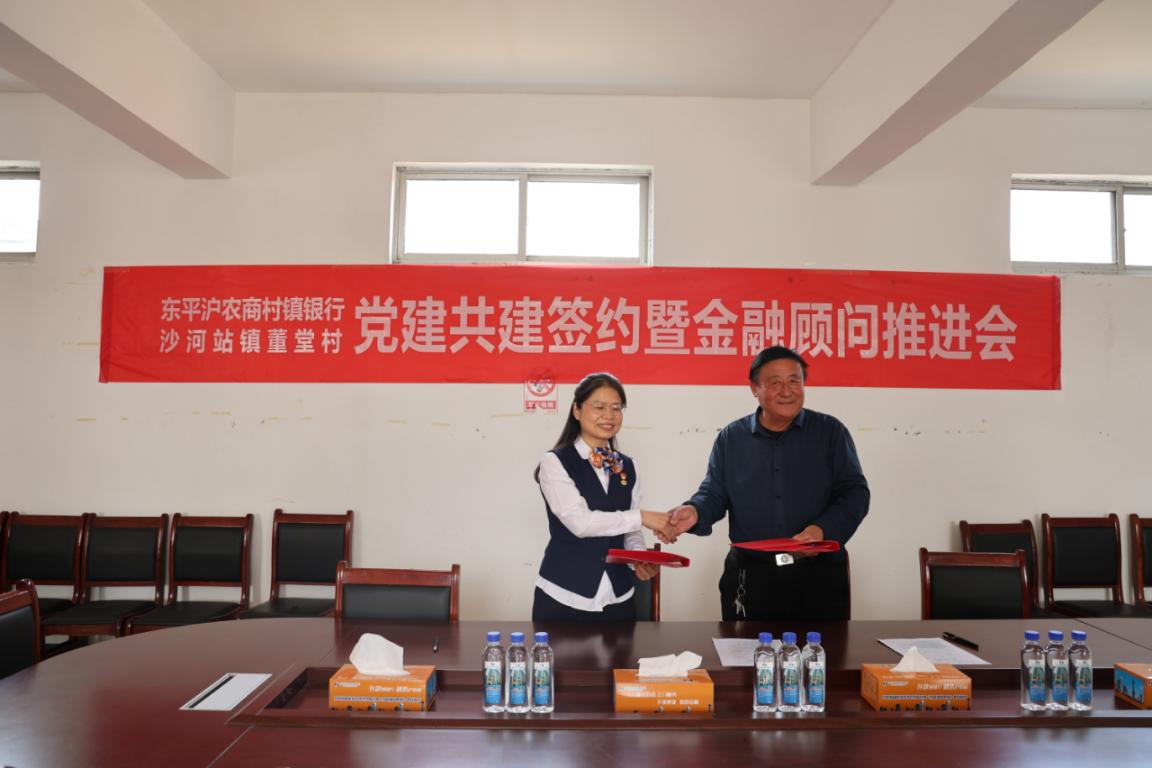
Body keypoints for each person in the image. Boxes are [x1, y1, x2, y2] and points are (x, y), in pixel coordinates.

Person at [667, 346, 869, 621]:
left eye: (794, 381)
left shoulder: (830, 432)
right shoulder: (732, 438)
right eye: (775, 383)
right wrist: (695, 510)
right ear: (755, 388)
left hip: (818, 577)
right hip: (751, 577)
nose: (787, 391)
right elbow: (714, 493)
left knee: (822, 650)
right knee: (746, 650)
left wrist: (821, 529)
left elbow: (855, 494)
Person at [533, 372, 676, 621]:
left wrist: (637, 558)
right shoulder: (554, 462)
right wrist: (641, 517)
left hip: (619, 597)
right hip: (564, 596)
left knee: (623, 651)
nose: (609, 415)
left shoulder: (629, 466)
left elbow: (630, 532)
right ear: (577, 410)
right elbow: (580, 522)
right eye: (599, 407)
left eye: (616, 408)